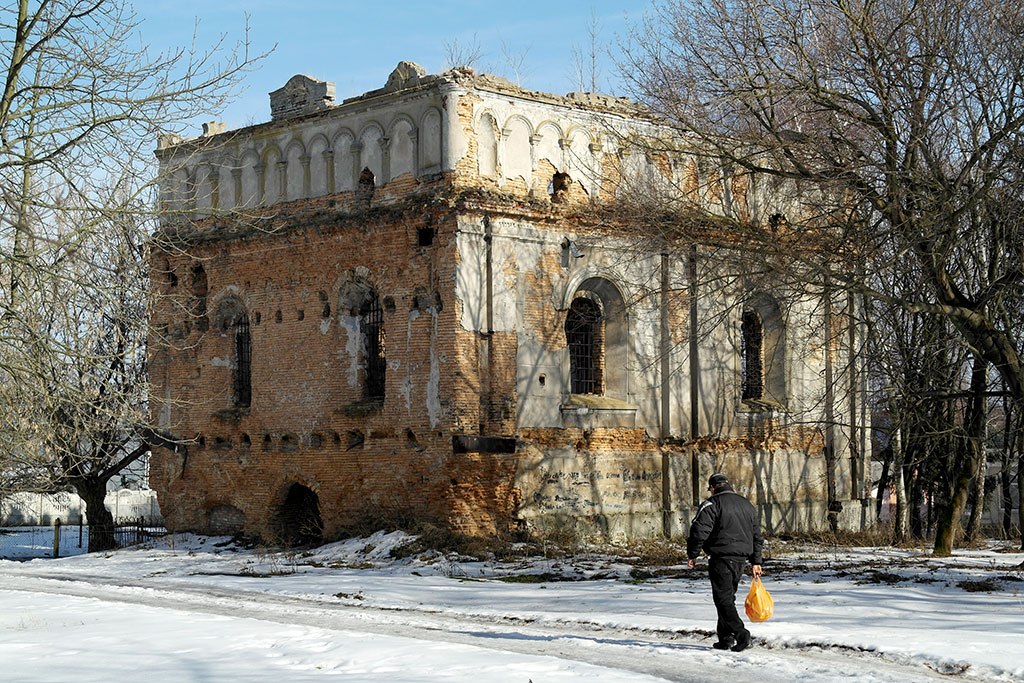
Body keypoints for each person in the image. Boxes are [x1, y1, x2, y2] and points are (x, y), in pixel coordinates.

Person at [686, 472, 763, 652]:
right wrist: (756, 561)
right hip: (740, 560)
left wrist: (693, 554)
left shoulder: (712, 504)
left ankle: (742, 635)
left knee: (723, 600)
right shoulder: (746, 504)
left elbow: (699, 531)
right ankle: (725, 639)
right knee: (727, 598)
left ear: (713, 488)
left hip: (721, 558)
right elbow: (756, 536)